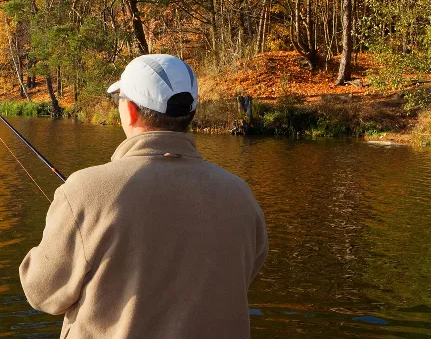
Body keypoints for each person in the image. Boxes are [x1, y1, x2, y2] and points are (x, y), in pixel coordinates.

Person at [20, 54, 268, 338]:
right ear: (189, 112)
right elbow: (247, 270)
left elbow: (42, 292)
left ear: (131, 111)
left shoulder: (82, 191)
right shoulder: (240, 195)